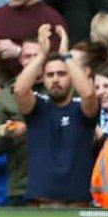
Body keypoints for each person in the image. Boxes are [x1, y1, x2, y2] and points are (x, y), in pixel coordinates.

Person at [13, 23, 98, 206]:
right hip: (40, 202)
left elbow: (89, 94)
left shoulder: (81, 109)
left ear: (72, 77)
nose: (56, 80)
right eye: (50, 75)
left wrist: (66, 56)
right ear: (42, 78)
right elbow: (19, 90)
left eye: (62, 74)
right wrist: (42, 55)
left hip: (76, 202)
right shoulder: (37, 106)